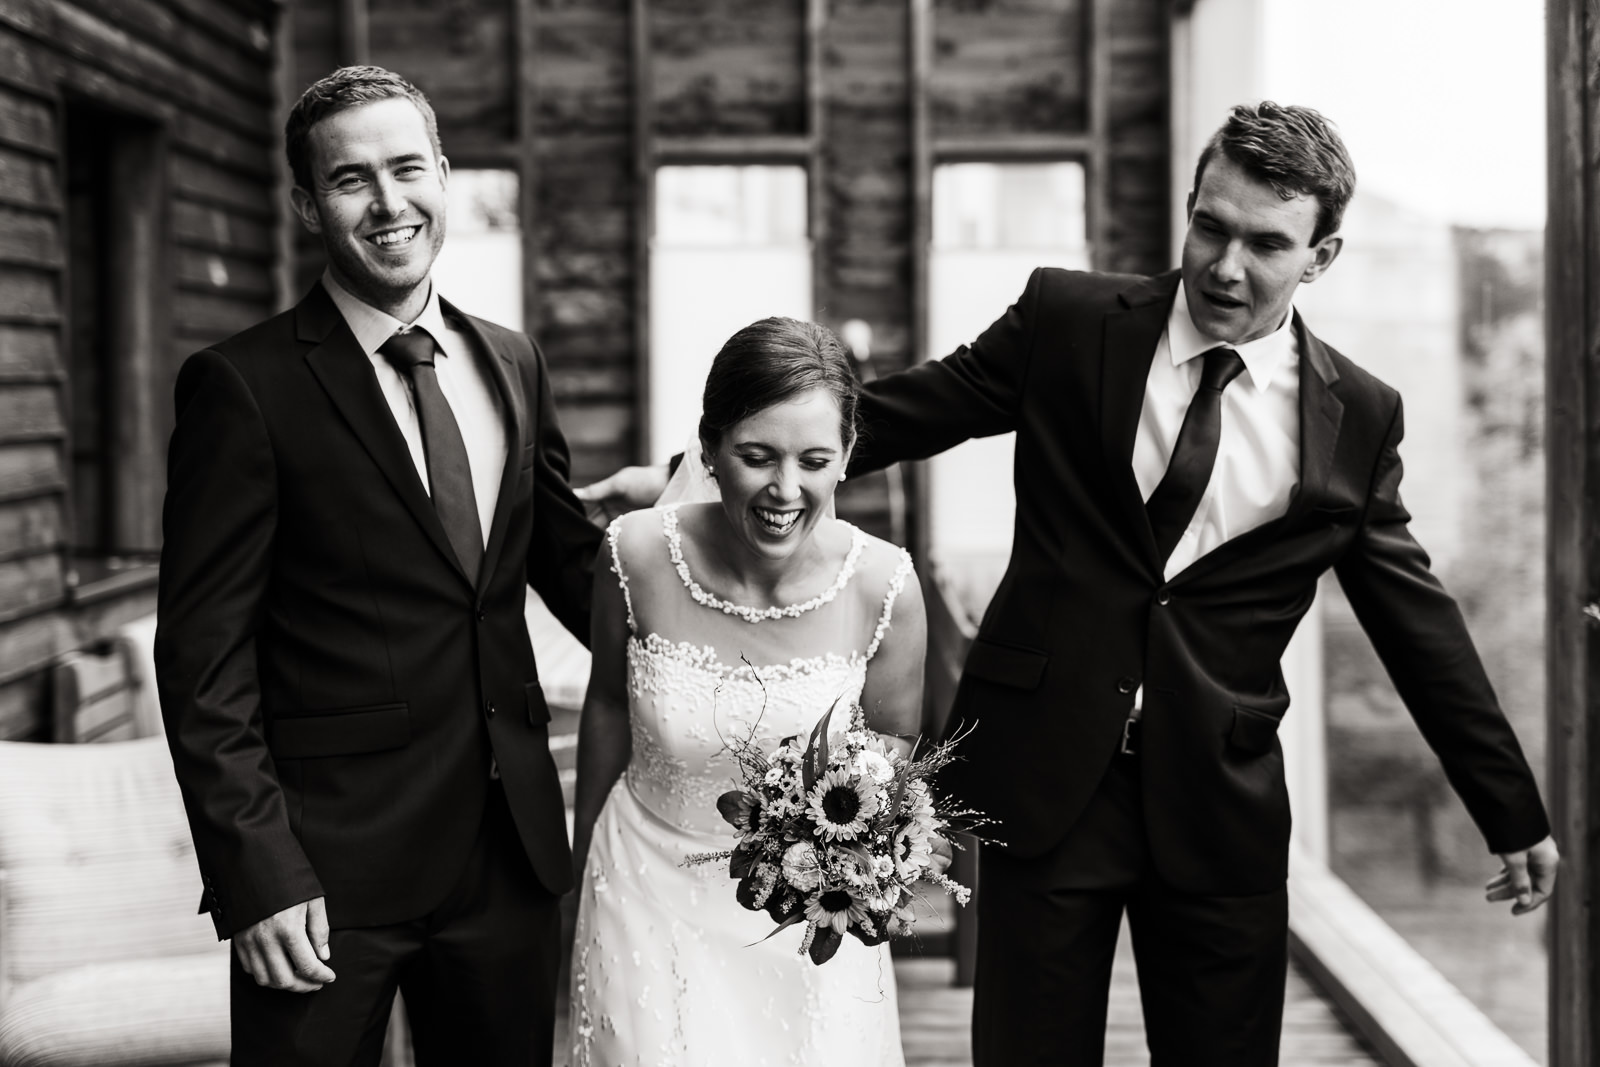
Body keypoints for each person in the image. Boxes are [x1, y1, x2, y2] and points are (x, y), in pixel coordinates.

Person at [578, 102, 1560, 1066]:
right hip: (1046, 778)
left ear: (1321, 255)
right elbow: (906, 411)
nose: (1224, 265)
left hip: (1217, 802)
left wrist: (1509, 806)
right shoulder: (1070, 320)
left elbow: (1414, 619)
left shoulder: (1359, 418)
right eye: (1209, 226)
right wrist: (697, 474)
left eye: (1265, 244)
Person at [154, 66, 600, 1066]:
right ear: (307, 205)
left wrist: (729, 554)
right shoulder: (242, 386)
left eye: (407, 169)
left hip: (509, 853)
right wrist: (258, 873)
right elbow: (202, 661)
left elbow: (573, 567)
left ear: (444, 175)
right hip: (325, 873)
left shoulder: (513, 361)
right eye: (351, 179)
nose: (388, 201)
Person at [567, 317, 926, 1066]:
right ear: (708, 447)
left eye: (814, 460)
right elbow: (606, 705)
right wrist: (577, 876)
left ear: (847, 456)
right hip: (643, 890)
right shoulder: (634, 553)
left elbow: (894, 741)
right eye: (756, 456)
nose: (785, 490)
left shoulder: (883, 585)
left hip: (807, 920)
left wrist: (850, 840)